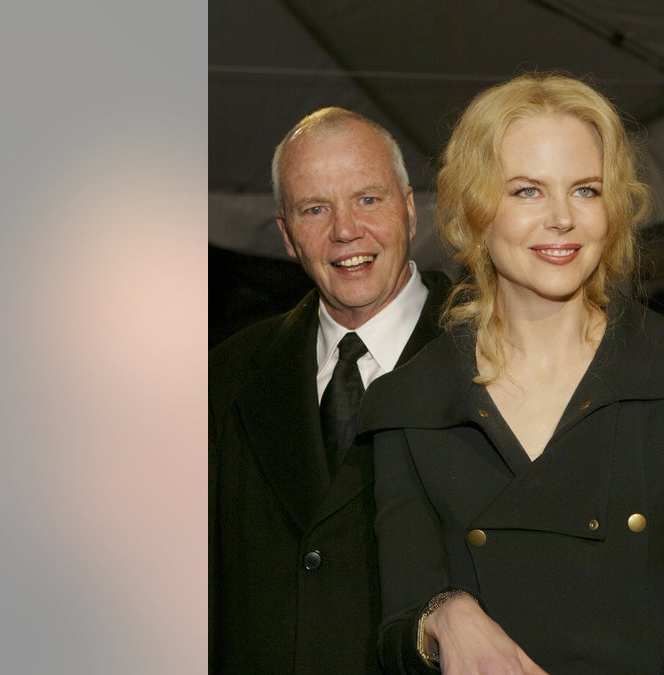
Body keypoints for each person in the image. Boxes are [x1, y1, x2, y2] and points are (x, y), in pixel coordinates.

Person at [359, 74, 664, 673]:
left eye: (585, 189)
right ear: (477, 211)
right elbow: (393, 634)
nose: (562, 218)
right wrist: (443, 614)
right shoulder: (411, 401)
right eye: (528, 191)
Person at [209, 107, 452, 673]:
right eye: (315, 209)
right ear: (288, 235)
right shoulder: (223, 379)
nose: (345, 230)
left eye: (368, 199)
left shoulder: (495, 359)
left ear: (410, 209)